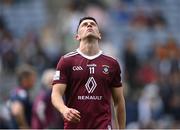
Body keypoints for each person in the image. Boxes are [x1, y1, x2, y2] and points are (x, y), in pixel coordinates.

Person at [51, 16, 126, 129]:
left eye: (93, 24)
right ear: (77, 36)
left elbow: (119, 101)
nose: (89, 25)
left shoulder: (112, 63)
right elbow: (56, 94)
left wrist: (121, 128)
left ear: (99, 35)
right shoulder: (66, 61)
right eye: (84, 24)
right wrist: (64, 110)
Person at [7, 64, 36, 129]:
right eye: (32, 78)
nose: (34, 81)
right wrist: (24, 127)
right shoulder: (21, 93)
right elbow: (17, 111)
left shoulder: (17, 91)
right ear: (25, 79)